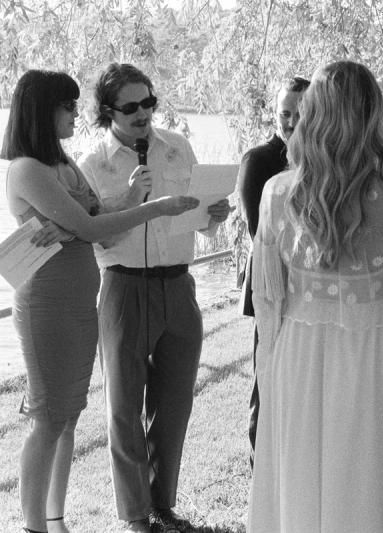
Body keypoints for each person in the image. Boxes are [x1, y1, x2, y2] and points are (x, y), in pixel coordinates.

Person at [248, 60, 383, 533]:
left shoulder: (278, 193)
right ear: (373, 115)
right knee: (371, 470)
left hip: (299, 350)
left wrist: (270, 368)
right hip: (375, 352)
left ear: (314, 113)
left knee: (304, 468)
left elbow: (268, 303)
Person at [1, 70, 197, 533]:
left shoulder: (63, 163)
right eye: (67, 105)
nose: (75, 113)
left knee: (68, 414)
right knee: (48, 416)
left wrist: (129, 196)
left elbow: (93, 214)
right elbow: (90, 229)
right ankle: (33, 526)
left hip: (78, 297)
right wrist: (156, 207)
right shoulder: (26, 168)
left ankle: (56, 519)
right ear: (41, 110)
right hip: (48, 301)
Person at [77, 63, 230, 533]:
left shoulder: (177, 147)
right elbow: (92, 237)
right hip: (123, 286)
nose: (144, 112)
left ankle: (163, 500)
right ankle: (134, 513)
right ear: (108, 112)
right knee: (124, 406)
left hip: (179, 285)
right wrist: (126, 199)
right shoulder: (91, 164)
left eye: (149, 102)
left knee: (175, 400)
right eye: (131, 106)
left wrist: (215, 215)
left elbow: (197, 217)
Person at [237, 76, 309, 467]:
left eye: (301, 113)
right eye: (285, 113)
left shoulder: (320, 160)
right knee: (266, 375)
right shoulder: (259, 160)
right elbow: (258, 233)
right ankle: (260, 459)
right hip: (271, 284)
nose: (292, 122)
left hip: (311, 294)